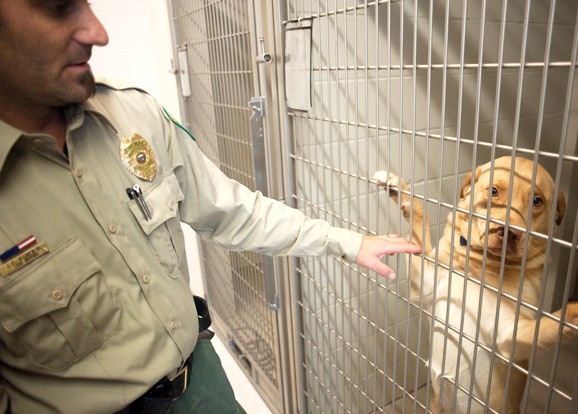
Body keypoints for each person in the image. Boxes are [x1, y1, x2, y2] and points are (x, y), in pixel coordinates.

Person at [0, 1, 422, 413]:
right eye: (57, 7)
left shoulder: (133, 115)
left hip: (199, 379)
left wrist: (346, 240)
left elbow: (233, 210)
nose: (98, 32)